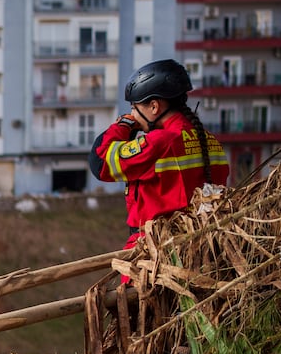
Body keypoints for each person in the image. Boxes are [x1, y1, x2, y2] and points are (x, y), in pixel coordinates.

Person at [90, 59, 228, 253]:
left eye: (134, 108)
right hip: (202, 248)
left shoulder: (159, 142)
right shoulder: (211, 141)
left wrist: (124, 125)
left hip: (156, 251)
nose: (132, 113)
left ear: (154, 107)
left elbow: (100, 163)